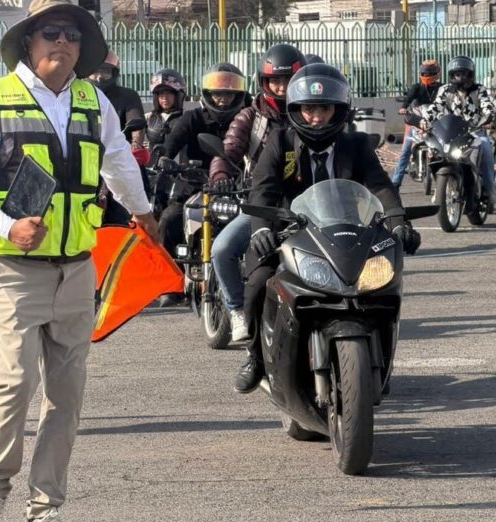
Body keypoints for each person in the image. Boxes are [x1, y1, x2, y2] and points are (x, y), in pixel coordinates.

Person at [0, 0, 157, 522]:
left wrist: (142, 212)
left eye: (71, 34)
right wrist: (5, 224)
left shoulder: (94, 102)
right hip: (12, 266)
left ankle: (45, 513)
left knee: (65, 396)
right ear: (27, 42)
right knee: (16, 382)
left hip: (75, 269)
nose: (61, 42)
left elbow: (117, 162)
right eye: (50, 32)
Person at [233, 63, 418, 393]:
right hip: (291, 232)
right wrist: (261, 230)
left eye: (323, 108)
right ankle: (255, 357)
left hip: (347, 229)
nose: (315, 117)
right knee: (260, 279)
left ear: (339, 111)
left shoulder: (358, 145)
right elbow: (263, 190)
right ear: (296, 111)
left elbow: (380, 187)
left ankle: (380, 357)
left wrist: (398, 221)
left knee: (383, 281)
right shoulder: (279, 142)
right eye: (308, 109)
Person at [208, 44, 306, 342]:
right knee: (222, 250)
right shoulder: (251, 117)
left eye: (286, 80)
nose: (280, 87)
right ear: (263, 83)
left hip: (309, 205)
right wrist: (221, 174)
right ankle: (237, 309)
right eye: (274, 81)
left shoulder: (311, 110)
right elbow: (228, 150)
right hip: (260, 205)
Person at [157, 63, 248, 261]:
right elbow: (173, 140)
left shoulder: (246, 120)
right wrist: (164, 158)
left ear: (238, 95)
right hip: (194, 188)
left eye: (228, 95)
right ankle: (169, 280)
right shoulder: (193, 117)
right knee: (169, 219)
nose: (223, 100)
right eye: (217, 94)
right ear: (207, 94)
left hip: (237, 189)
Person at [424, 56, 496, 207]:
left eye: (464, 74)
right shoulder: (445, 90)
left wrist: (489, 116)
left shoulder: (479, 89)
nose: (460, 77)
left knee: (485, 149)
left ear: (470, 74)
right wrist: (425, 119)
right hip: (452, 133)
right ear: (451, 75)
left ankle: (490, 189)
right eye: (457, 74)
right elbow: (435, 107)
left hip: (475, 132)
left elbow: (487, 106)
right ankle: (439, 189)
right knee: (433, 150)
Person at [89, 50, 147, 225]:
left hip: (117, 159)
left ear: (115, 74)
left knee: (121, 218)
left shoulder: (127, 96)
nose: (99, 77)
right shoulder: (78, 94)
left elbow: (136, 123)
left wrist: (136, 144)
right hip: (85, 162)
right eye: (95, 71)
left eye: (105, 71)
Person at [391, 59, 443, 189]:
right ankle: (395, 183)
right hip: (415, 121)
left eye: (430, 73)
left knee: (446, 150)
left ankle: (445, 179)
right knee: (405, 151)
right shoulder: (416, 87)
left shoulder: (442, 88)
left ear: (437, 74)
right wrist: (403, 108)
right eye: (424, 73)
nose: (427, 76)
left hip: (435, 123)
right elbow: (408, 99)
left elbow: (447, 101)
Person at [145, 68, 186, 154]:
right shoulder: (148, 118)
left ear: (178, 96)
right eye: (161, 93)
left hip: (180, 166)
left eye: (169, 93)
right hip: (152, 165)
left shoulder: (187, 118)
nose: (164, 97)